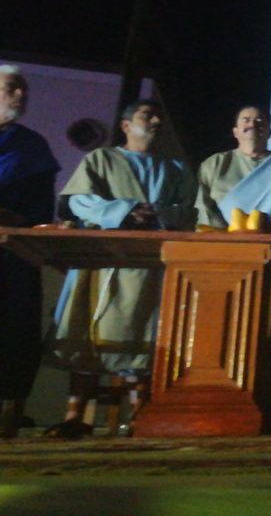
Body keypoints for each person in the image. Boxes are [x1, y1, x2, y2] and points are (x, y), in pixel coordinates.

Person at [46, 99, 196, 437]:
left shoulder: (173, 168)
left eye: (158, 114)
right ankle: (75, 417)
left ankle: (139, 415)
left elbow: (190, 210)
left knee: (141, 336)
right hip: (102, 262)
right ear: (126, 126)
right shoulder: (101, 159)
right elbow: (77, 200)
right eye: (146, 115)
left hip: (149, 266)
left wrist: (158, 213)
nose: (155, 119)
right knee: (89, 335)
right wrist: (124, 210)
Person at [0, 65, 60, 437]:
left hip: (12, 256)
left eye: (24, 89)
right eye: (12, 88)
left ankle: (9, 417)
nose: (21, 95)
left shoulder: (33, 146)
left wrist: (13, 217)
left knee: (15, 335)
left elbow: (41, 210)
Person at [195, 105, 271, 229]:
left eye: (259, 121)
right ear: (235, 132)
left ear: (269, 132)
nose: (252, 124)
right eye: (246, 120)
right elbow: (203, 208)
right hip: (222, 241)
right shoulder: (214, 164)